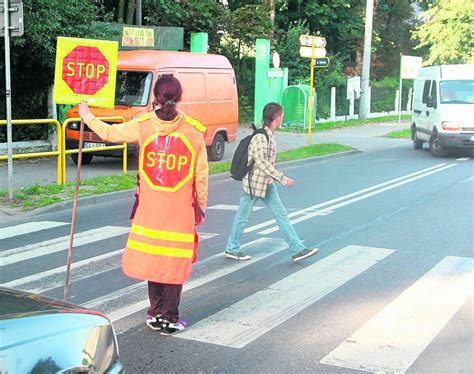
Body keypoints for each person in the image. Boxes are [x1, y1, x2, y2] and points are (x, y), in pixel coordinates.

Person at [78, 76, 208, 335]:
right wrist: (200, 208)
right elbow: (200, 175)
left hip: (149, 211)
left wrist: (87, 115)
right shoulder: (194, 131)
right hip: (179, 213)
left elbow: (110, 133)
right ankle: (170, 318)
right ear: (179, 98)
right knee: (173, 264)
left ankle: (156, 313)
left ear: (155, 98)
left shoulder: (143, 125)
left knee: (154, 260)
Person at [225, 102, 319, 262]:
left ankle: (297, 249)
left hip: (266, 183)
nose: (282, 119)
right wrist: (283, 179)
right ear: (277, 118)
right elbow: (261, 162)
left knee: (281, 214)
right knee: (243, 216)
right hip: (254, 185)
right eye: (281, 116)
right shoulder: (261, 137)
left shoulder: (270, 134)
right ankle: (232, 248)